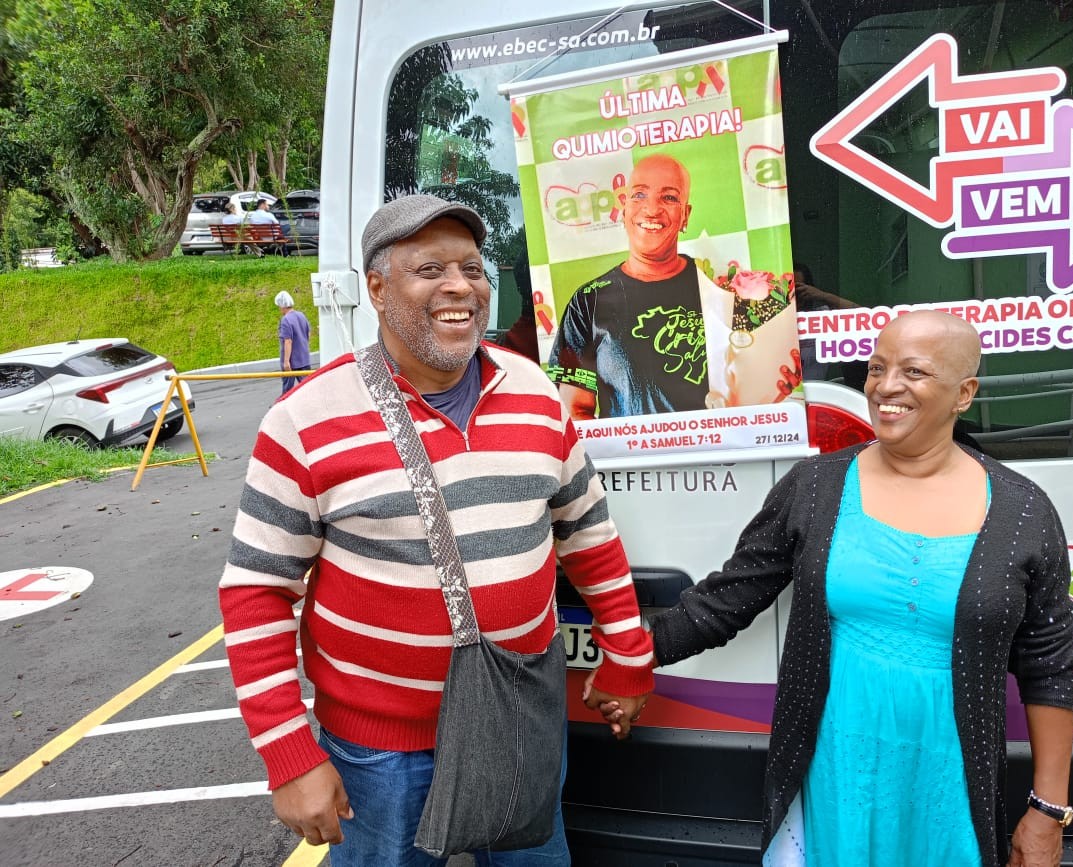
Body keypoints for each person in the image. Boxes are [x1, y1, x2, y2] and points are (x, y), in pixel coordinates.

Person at [218, 194, 653, 866]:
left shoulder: (537, 395)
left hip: (518, 726)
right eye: (431, 269)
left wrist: (626, 649)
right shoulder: (305, 420)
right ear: (377, 286)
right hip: (380, 755)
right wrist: (289, 752)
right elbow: (255, 591)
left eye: (472, 269)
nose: (460, 287)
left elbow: (588, 531)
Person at [616, 311, 1073, 867]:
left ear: (965, 393)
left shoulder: (1022, 511)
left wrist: (1047, 811)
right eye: (877, 367)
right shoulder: (816, 488)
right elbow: (729, 597)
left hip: (948, 786)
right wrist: (629, 658)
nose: (886, 386)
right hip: (834, 771)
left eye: (915, 371)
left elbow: (1048, 665)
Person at [547, 154, 800, 419]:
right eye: (639, 195)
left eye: (668, 197)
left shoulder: (720, 291)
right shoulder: (589, 301)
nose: (652, 209)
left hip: (716, 457)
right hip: (632, 460)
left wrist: (770, 385)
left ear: (685, 216)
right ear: (624, 209)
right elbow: (574, 411)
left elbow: (742, 392)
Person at [274, 290, 311, 395]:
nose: (279, 309)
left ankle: (281, 408)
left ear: (282, 305)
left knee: (287, 390)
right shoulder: (301, 315)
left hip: (292, 362)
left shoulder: (286, 320)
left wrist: (286, 361)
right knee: (307, 388)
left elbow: (288, 341)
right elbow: (307, 334)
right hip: (304, 358)